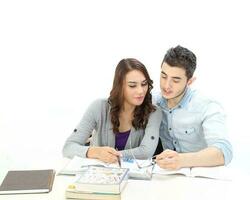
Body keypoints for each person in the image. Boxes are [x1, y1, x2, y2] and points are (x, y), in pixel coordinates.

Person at [63, 58, 162, 164]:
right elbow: (68, 148)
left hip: (132, 177)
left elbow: (146, 152)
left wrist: (112, 156)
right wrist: (96, 152)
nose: (141, 91)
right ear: (120, 86)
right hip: (98, 175)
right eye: (132, 85)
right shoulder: (98, 107)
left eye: (144, 84)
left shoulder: (153, 112)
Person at [154, 45, 233, 170]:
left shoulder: (207, 105)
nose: (166, 85)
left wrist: (182, 160)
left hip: (199, 175)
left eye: (175, 80)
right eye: (164, 76)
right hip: (165, 174)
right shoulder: (154, 102)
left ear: (190, 81)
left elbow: (224, 152)